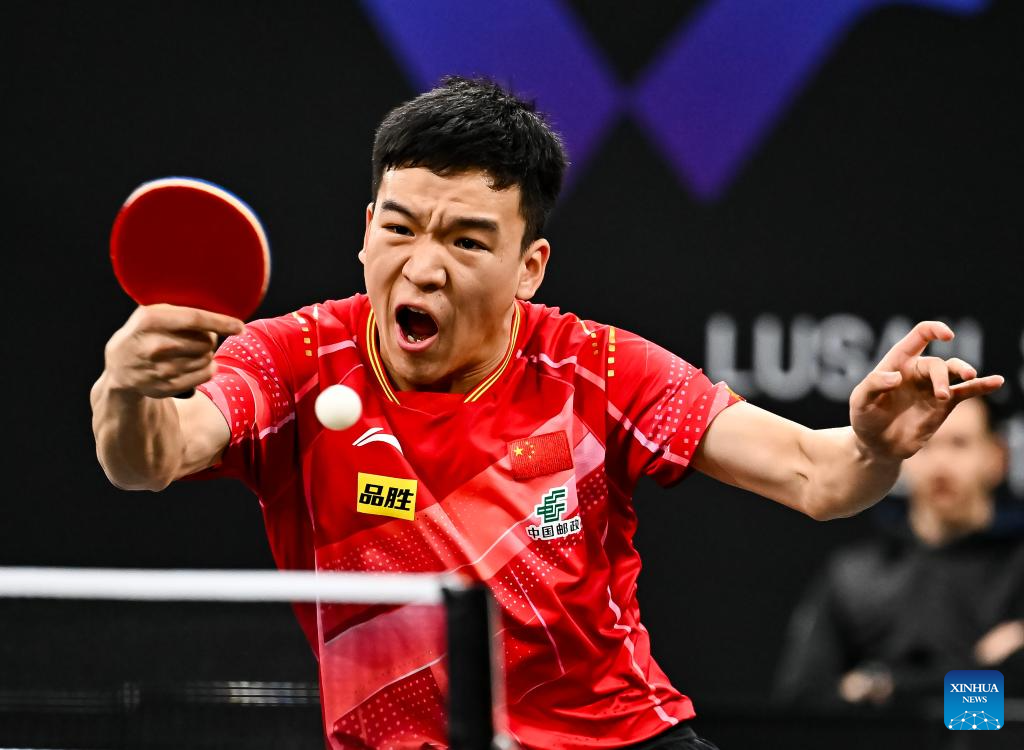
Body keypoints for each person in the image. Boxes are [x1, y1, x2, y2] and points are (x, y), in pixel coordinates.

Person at [89, 77, 1004, 750]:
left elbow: (817, 476)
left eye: (466, 240)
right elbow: (151, 456)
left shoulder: (594, 368)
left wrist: (875, 447)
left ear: (528, 267)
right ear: (365, 229)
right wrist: (127, 390)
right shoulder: (295, 359)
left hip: (617, 741)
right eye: (400, 227)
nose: (422, 266)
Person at [774, 397, 1024, 709]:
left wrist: (883, 688)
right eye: (926, 444)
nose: (941, 464)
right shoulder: (854, 576)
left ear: (997, 456)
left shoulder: (1017, 569)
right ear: (902, 456)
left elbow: (1000, 713)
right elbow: (802, 703)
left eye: (959, 444)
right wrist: (981, 670)